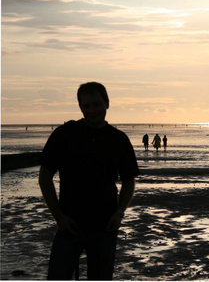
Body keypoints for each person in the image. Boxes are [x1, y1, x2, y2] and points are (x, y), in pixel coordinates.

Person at [38, 82, 139, 280]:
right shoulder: (64, 134)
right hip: (69, 225)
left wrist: (120, 212)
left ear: (107, 103)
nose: (92, 110)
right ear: (80, 107)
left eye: (96, 104)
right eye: (86, 106)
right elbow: (44, 177)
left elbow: (129, 181)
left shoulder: (118, 139)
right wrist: (58, 216)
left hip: (105, 226)